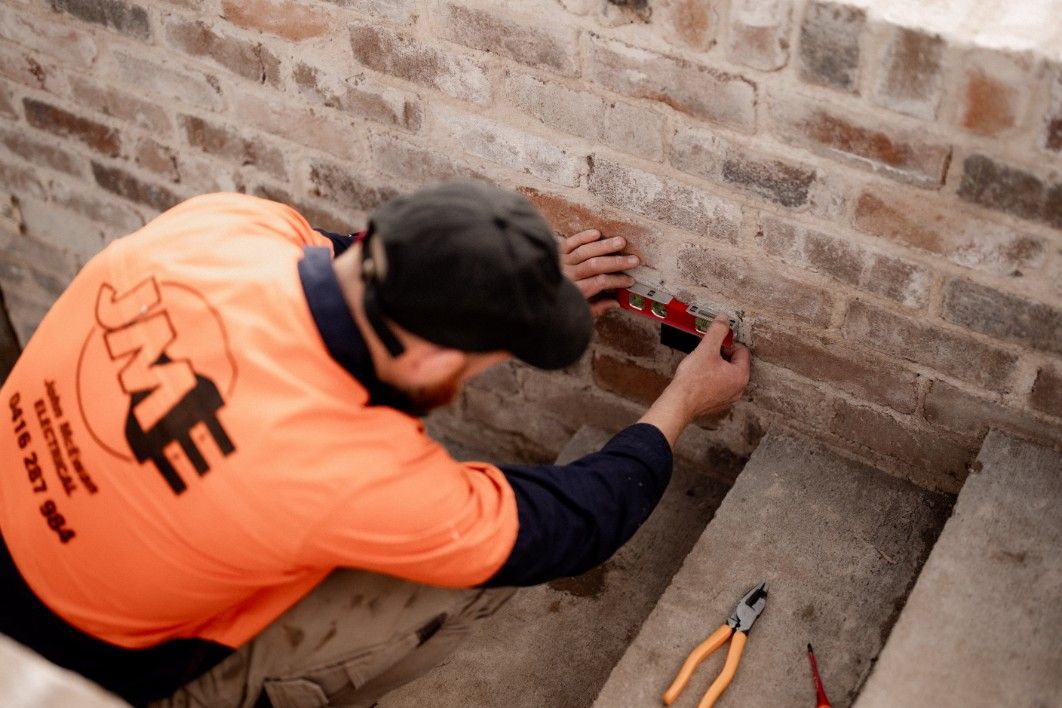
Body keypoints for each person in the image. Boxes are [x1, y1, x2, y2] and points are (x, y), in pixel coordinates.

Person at [0, 181, 750, 707]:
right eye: (481, 358)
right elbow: (562, 528)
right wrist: (681, 403)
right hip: (84, 673)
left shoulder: (224, 227)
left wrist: (504, 286)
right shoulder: (354, 470)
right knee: (463, 578)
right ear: (428, 360)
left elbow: (337, 257)